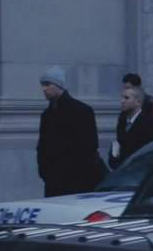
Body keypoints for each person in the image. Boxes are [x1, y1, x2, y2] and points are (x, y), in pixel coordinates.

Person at [36, 66, 106, 197]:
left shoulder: (82, 111)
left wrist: (73, 173)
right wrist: (45, 173)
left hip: (76, 183)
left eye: (47, 84)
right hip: (53, 182)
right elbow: (42, 147)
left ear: (59, 85)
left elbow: (89, 148)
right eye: (42, 85)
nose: (44, 89)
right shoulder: (47, 114)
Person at [108, 86, 153, 170]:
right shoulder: (122, 120)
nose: (122, 101)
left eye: (126, 98)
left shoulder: (150, 124)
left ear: (138, 102)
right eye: (122, 97)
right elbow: (119, 144)